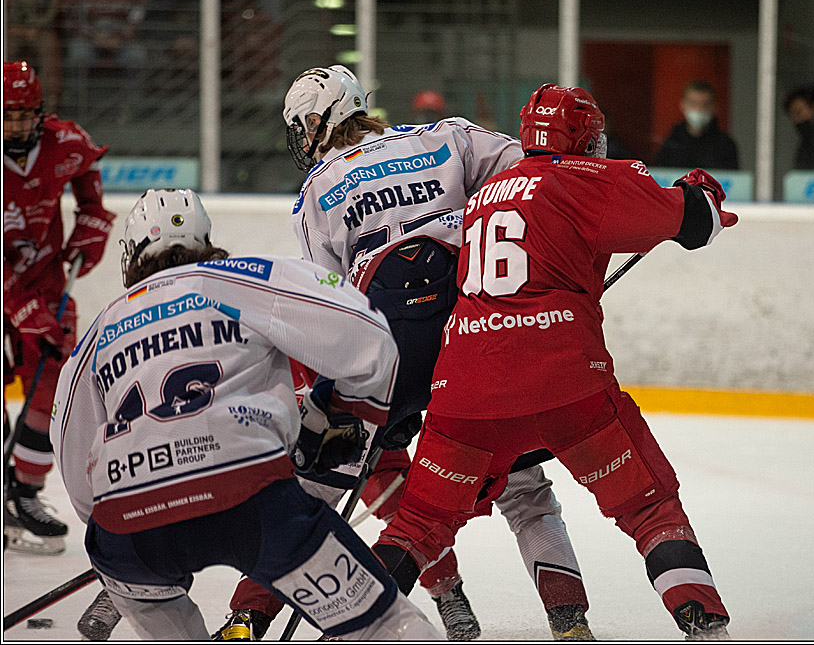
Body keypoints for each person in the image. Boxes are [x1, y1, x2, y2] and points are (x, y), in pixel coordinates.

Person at [211, 65, 595, 642]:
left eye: (304, 126)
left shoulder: (318, 191)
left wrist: (337, 409)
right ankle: (569, 619)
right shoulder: (448, 139)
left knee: (314, 488)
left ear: (321, 122)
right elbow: (538, 172)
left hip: (386, 359)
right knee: (524, 485)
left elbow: (332, 306)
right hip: (477, 340)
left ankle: (249, 617)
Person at [370, 83, 738, 639]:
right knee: (649, 508)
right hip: (566, 384)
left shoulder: (484, 192)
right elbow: (697, 222)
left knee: (416, 527)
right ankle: (703, 624)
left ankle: (348, 625)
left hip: (463, 391)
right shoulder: (590, 178)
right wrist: (700, 188)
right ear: (585, 138)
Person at [50, 188, 440, 641]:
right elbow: (369, 335)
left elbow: (74, 463)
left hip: (128, 532)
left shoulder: (97, 332)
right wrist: (346, 411)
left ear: (131, 253)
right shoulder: (242, 277)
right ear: (204, 240)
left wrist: (129, 526)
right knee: (386, 626)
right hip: (251, 499)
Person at [4, 60, 115, 556]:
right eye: (6, 115)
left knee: (54, 384)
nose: (15, 125)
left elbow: (88, 181)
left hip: (47, 282)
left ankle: (23, 494)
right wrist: (23, 309)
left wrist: (91, 226)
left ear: (39, 113)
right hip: (9, 288)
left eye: (23, 115)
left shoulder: (64, 141)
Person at [654, 80, 739, 170]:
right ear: (682, 105)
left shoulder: (725, 145)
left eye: (705, 104)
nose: (699, 109)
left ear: (714, 107)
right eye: (693, 103)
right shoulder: (671, 143)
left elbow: (732, 176)